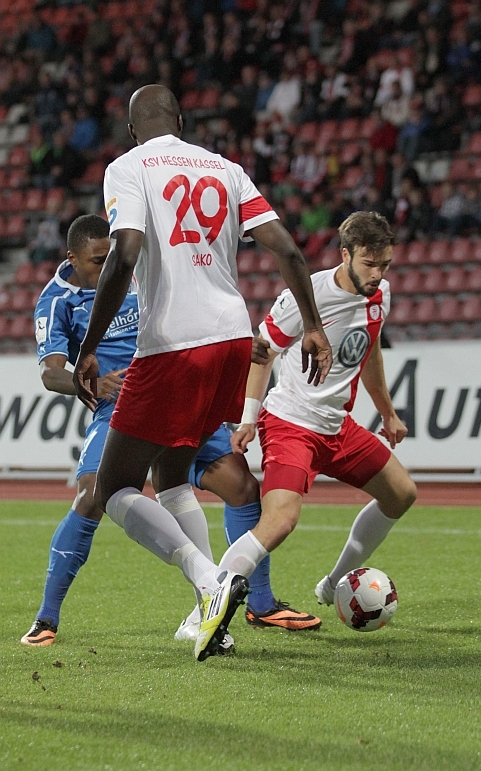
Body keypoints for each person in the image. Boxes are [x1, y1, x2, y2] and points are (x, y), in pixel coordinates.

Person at [72, 85, 331, 662]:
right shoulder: (225, 169)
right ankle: (208, 617)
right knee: (171, 476)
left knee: (112, 489)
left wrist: (89, 345)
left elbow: (126, 252)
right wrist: (312, 325)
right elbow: (288, 249)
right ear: (182, 121)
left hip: (173, 344)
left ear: (133, 131)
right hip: (233, 339)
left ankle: (212, 581)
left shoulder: (128, 167)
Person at [22, 215, 320, 649]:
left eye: (110, 258)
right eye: (97, 261)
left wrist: (235, 338)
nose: (107, 268)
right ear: (72, 258)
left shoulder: (135, 269)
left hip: (178, 388)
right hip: (119, 406)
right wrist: (94, 385)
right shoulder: (57, 302)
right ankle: (47, 618)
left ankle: (255, 603)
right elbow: (51, 374)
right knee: (92, 495)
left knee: (240, 486)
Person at [219, 212, 417, 608]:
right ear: (345, 254)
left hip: (337, 427)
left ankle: (334, 584)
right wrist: (248, 419)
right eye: (369, 263)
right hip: (291, 424)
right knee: (280, 522)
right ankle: (207, 602)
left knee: (401, 494)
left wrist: (388, 413)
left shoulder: (380, 294)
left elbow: (370, 352)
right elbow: (263, 353)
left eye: (384, 265)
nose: (377, 274)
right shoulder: (307, 295)